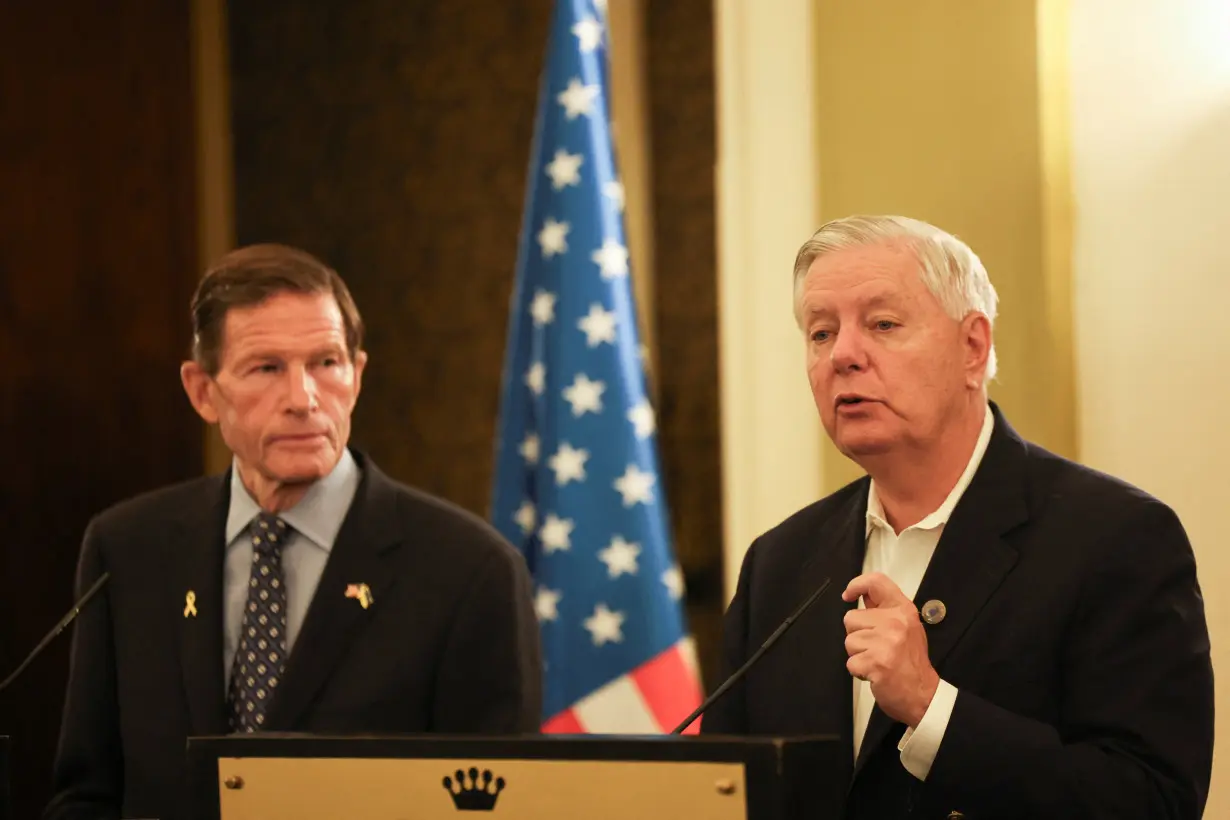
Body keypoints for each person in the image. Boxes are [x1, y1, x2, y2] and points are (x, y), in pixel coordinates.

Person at [700, 216, 1214, 818]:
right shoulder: (780, 562)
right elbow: (723, 788)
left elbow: (1155, 801)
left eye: (882, 324)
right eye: (819, 333)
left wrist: (930, 708)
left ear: (973, 347)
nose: (841, 355)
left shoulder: (1116, 538)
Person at [45, 244, 543, 820]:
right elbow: (87, 795)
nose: (304, 399)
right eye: (267, 368)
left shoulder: (470, 572)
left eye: (326, 363)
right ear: (203, 391)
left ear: (356, 377)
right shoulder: (128, 549)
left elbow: (503, 805)